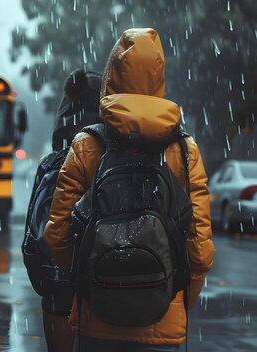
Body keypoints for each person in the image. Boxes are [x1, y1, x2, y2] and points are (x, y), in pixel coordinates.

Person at [43, 28, 214, 351]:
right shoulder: (184, 149)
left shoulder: (86, 144)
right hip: (164, 324)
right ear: (159, 78)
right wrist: (174, 295)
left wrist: (89, 287)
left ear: (112, 76)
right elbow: (200, 250)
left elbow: (58, 237)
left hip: (97, 323)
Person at [43, 68, 102, 352]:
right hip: (137, 300)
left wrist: (66, 276)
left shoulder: (54, 166)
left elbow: (40, 246)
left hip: (64, 300)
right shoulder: (149, 155)